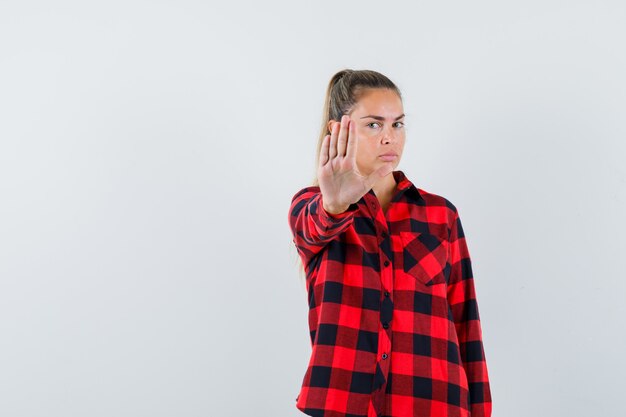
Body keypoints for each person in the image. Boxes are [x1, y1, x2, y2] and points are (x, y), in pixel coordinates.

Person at [288, 69, 492, 417]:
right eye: (373, 124)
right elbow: (313, 229)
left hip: (434, 404)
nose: (390, 138)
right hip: (344, 403)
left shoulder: (440, 215)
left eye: (397, 124)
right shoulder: (312, 206)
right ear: (338, 130)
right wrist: (334, 204)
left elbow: (465, 323)